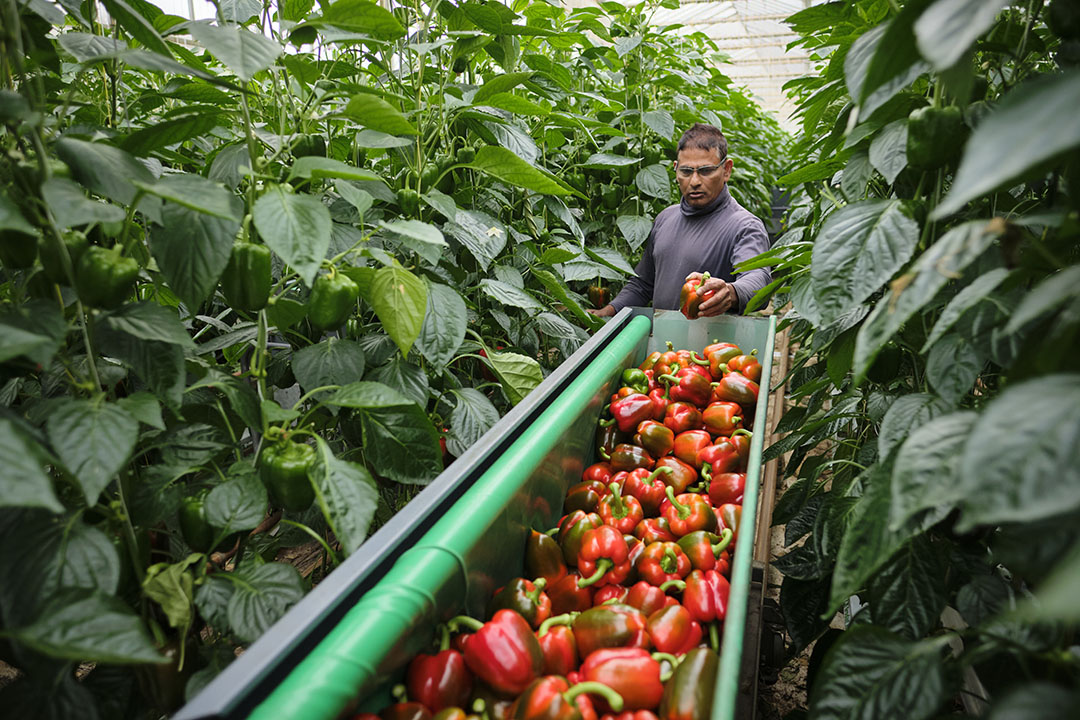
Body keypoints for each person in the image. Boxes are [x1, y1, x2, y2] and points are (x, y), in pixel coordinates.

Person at [589, 123, 772, 318]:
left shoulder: (744, 226)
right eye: (686, 172)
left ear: (726, 170)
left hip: (712, 345)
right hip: (664, 346)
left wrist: (731, 292)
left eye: (706, 171)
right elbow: (642, 284)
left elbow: (758, 279)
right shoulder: (665, 219)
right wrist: (607, 312)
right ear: (676, 170)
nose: (694, 181)